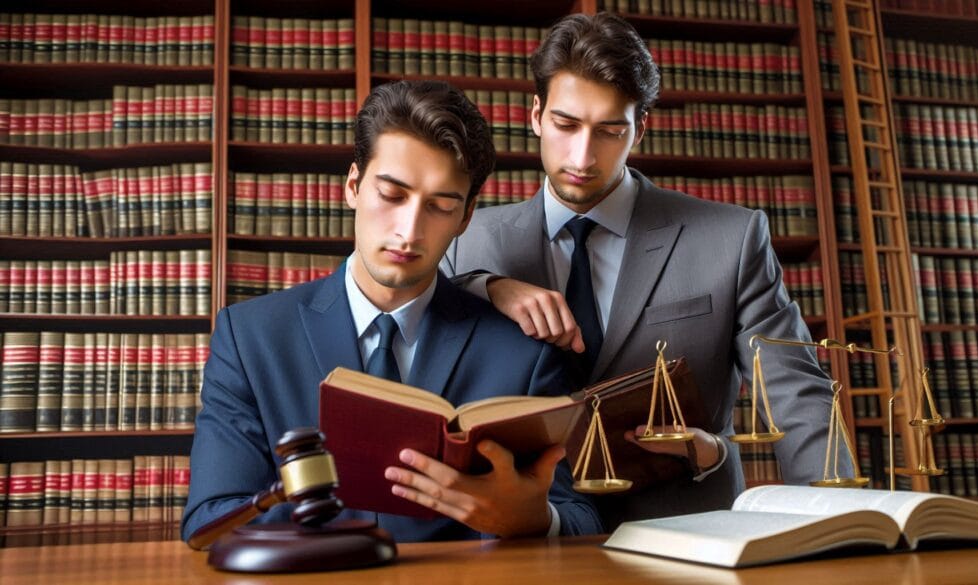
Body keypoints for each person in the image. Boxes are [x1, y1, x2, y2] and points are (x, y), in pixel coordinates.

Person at [444, 13, 853, 528]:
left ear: (640, 128)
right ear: (536, 115)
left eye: (610, 131)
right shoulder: (467, 240)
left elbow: (796, 394)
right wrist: (486, 285)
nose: (582, 156)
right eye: (565, 125)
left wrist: (841, 527)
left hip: (688, 533)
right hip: (524, 538)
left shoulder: (732, 237)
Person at [182, 80, 601, 544]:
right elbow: (210, 519)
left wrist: (534, 521)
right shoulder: (249, 337)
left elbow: (580, 519)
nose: (409, 231)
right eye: (392, 195)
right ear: (353, 186)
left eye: (441, 206)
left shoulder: (525, 354)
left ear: (466, 217)